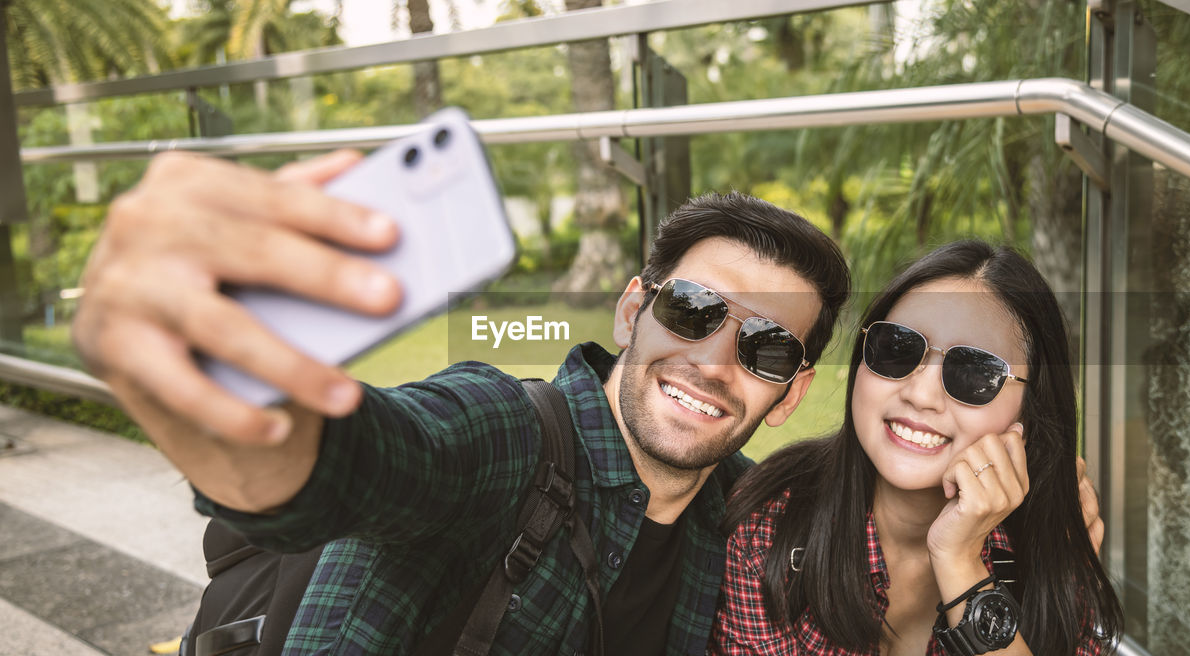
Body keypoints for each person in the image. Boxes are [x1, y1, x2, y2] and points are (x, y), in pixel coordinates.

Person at [71, 148, 852, 655]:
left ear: (792, 394)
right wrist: (206, 378)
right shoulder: (505, 431)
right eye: (691, 309)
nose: (714, 362)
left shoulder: (743, 522)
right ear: (630, 312)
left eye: (768, 349)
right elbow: (345, 466)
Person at [711, 240, 1123, 655]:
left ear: (1030, 415)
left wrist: (961, 564)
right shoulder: (770, 535)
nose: (922, 394)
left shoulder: (1055, 548)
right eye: (898, 348)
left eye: (974, 371)